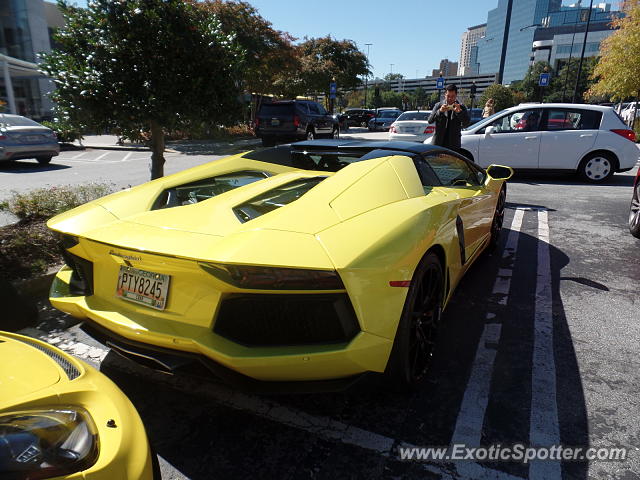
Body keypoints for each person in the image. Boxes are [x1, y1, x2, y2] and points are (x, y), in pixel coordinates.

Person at [428, 84, 470, 153]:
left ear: (456, 96)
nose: (450, 99)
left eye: (453, 96)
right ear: (445, 95)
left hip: (453, 146)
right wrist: (440, 111)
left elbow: (466, 124)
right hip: (438, 144)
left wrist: (459, 113)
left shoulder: (461, 107)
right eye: (448, 96)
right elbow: (430, 120)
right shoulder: (438, 105)